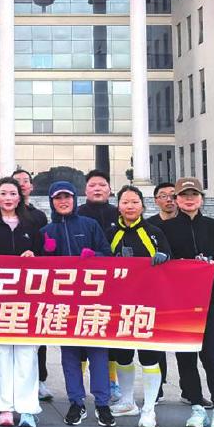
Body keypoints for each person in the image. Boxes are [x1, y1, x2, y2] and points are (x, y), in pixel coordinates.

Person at [160, 177, 214, 427]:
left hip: (209, 301)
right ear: (176, 200)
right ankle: (196, 407)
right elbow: (162, 263)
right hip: (179, 304)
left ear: (201, 198)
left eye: (194, 194)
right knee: (185, 357)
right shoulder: (166, 229)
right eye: (184, 195)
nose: (189, 199)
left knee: (211, 357)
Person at [40, 180, 115, 427]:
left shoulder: (89, 225)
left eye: (67, 197)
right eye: (58, 198)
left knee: (98, 354)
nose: (63, 202)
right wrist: (46, 253)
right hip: (63, 303)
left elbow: (107, 254)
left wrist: (95, 256)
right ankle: (76, 402)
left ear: (74, 199)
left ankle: (102, 404)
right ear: (52, 202)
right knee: (70, 355)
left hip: (93, 302)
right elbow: (38, 270)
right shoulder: (47, 230)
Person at [0, 177, 43, 427]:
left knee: (27, 352)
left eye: (13, 193)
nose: (8, 198)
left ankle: (27, 409)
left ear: (20, 197)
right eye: (3, 193)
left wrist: (34, 256)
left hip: (27, 298)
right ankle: (4, 407)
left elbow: (44, 257)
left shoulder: (32, 224)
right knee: (0, 352)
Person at [106, 185, 171, 427]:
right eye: (125, 202)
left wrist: (164, 257)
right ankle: (127, 401)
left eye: (134, 202)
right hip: (119, 306)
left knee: (149, 356)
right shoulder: (111, 232)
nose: (130, 206)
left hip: (148, 305)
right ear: (118, 206)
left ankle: (149, 408)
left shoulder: (154, 232)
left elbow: (170, 259)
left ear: (142, 206)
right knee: (123, 355)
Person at [77, 169, 121, 400]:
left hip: (114, 285)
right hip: (84, 286)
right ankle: (78, 384)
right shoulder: (77, 214)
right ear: (85, 190)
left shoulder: (119, 214)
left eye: (102, 185)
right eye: (92, 185)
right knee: (81, 333)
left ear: (109, 189)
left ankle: (112, 381)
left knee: (110, 333)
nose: (97, 189)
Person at [11, 168, 53, 403]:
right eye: (16, 182)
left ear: (31, 186)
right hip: (7, 284)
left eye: (25, 181)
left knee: (38, 331)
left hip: (34, 283)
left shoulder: (38, 216)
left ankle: (40, 380)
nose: (21, 185)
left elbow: (44, 246)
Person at [144, 181, 179, 403]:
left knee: (185, 343)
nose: (169, 199)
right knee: (156, 341)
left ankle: (190, 391)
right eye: (163, 196)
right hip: (156, 292)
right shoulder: (149, 226)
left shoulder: (187, 223)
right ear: (156, 200)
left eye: (173, 195)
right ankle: (158, 388)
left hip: (180, 291)